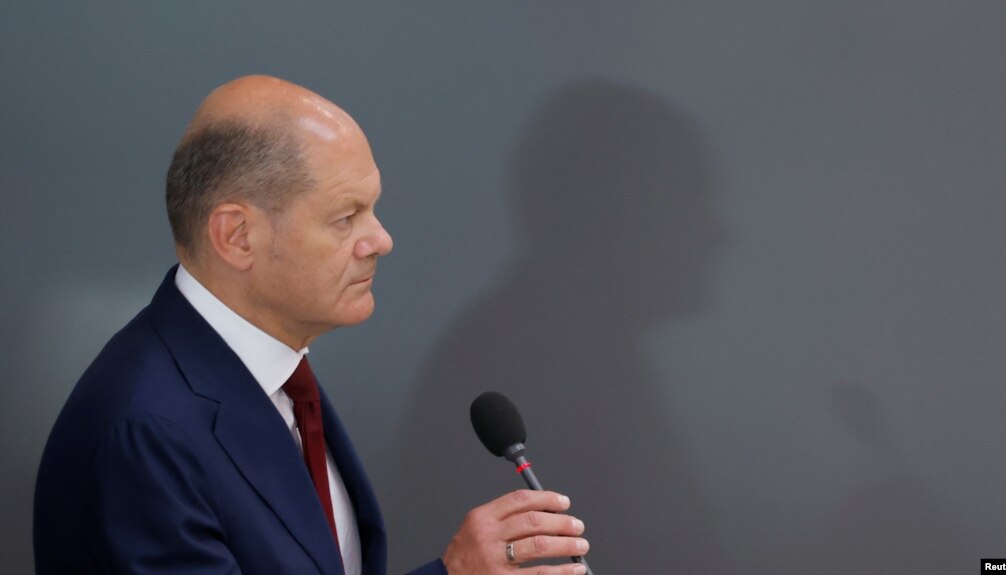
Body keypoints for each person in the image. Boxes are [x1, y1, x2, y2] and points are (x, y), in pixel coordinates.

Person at [33, 75, 589, 575]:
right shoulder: (144, 431)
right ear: (237, 237)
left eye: (371, 210)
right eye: (345, 217)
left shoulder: (274, 370)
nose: (381, 240)